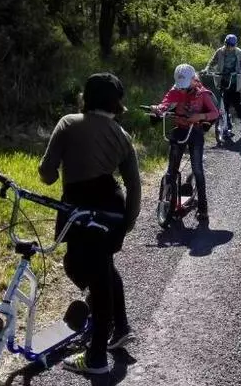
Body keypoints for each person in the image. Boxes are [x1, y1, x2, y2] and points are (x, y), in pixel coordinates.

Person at [38, 72, 141, 375]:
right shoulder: (122, 135)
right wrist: (129, 221)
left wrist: (55, 174)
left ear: (87, 97)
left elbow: (47, 172)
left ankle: (96, 358)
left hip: (80, 207)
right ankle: (119, 327)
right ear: (116, 103)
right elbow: (134, 185)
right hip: (112, 209)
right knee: (103, 268)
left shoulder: (68, 123)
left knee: (82, 270)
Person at [150, 64, 219, 222]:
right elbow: (165, 103)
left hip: (195, 132)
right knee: (171, 169)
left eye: (185, 86)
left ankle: (203, 208)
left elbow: (215, 112)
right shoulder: (175, 91)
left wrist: (199, 117)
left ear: (194, 80)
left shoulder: (202, 94)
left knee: (198, 169)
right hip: (180, 129)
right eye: (179, 86)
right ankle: (169, 200)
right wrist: (158, 109)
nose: (181, 89)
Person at [205, 34, 241, 136]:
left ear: (235, 44)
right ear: (225, 43)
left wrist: (239, 72)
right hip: (223, 79)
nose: (229, 47)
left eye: (231, 45)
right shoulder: (220, 51)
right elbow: (212, 62)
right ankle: (227, 126)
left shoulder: (239, 52)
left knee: (236, 102)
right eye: (227, 44)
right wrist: (207, 69)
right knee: (224, 104)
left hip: (234, 81)